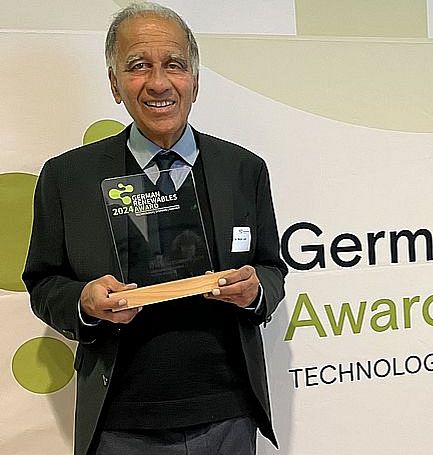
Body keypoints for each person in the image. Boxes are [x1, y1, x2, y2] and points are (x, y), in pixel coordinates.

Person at [22, 3, 287, 454]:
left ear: (195, 81)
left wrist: (255, 289)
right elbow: (43, 283)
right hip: (121, 426)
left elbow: (271, 268)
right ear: (115, 83)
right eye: (138, 65)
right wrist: (85, 302)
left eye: (174, 65)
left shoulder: (243, 169)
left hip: (229, 417)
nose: (159, 83)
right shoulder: (68, 178)